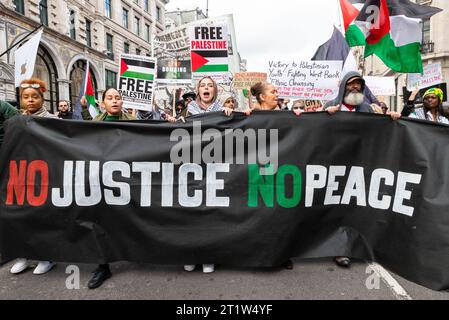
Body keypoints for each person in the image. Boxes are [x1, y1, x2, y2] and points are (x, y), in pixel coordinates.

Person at [325, 72, 401, 268]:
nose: (355, 87)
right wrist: (326, 117)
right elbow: (314, 129)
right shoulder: (330, 107)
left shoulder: (367, 108)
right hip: (336, 165)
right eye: (351, 84)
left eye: (359, 84)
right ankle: (339, 249)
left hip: (361, 164)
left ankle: (357, 246)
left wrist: (391, 118)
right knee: (338, 208)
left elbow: (380, 131)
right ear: (343, 86)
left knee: (357, 207)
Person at [87, 88, 136, 289]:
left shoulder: (135, 123)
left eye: (118, 98)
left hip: (130, 179)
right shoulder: (92, 126)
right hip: (103, 181)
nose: (114, 101)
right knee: (101, 221)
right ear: (102, 103)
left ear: (122, 102)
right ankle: (102, 265)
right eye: (110, 98)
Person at [10, 78, 57, 275]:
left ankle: (46, 257)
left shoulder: (53, 121)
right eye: (25, 97)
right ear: (20, 100)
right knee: (18, 216)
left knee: (42, 216)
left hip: (45, 175)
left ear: (42, 99)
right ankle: (23, 256)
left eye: (34, 97)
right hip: (20, 175)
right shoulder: (14, 122)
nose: (30, 100)